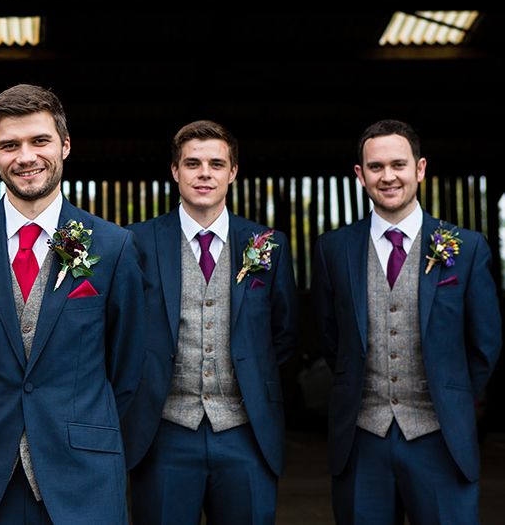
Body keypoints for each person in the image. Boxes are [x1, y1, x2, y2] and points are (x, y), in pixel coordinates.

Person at [0, 83, 145, 525]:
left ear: (64, 144)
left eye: (39, 141)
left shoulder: (114, 246)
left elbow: (127, 366)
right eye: (10, 145)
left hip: (82, 472)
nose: (25, 157)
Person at [311, 119, 502, 524]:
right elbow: (331, 338)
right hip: (362, 441)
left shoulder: (466, 248)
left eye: (398, 164)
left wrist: (451, 394)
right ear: (360, 176)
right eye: (376, 167)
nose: (388, 176)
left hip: (441, 439)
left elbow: (485, 343)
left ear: (420, 169)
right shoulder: (334, 249)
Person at [121, 119, 298, 525]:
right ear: (175, 171)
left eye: (216, 164)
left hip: (245, 433)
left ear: (233, 172)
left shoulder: (267, 246)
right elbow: (121, 330)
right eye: (193, 163)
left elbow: (283, 334)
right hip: (163, 434)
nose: (204, 173)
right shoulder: (137, 243)